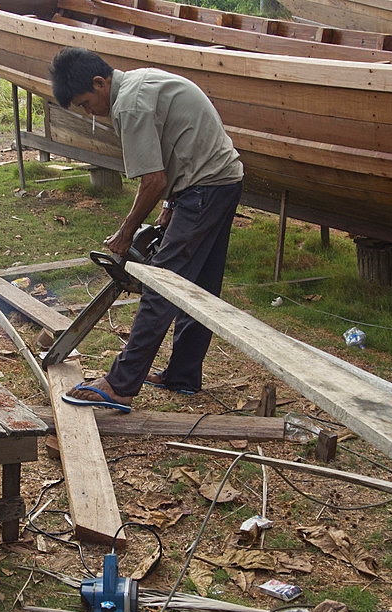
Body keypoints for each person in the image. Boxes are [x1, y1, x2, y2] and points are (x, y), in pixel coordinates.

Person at [48, 47, 244, 413]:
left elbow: (152, 179)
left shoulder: (129, 105)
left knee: (161, 286)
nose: (90, 113)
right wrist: (170, 207)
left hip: (205, 186)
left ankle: (121, 384)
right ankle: (183, 376)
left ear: (99, 82)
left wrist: (125, 233)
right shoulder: (139, 82)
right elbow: (176, 146)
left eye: (87, 103)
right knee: (197, 286)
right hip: (221, 180)